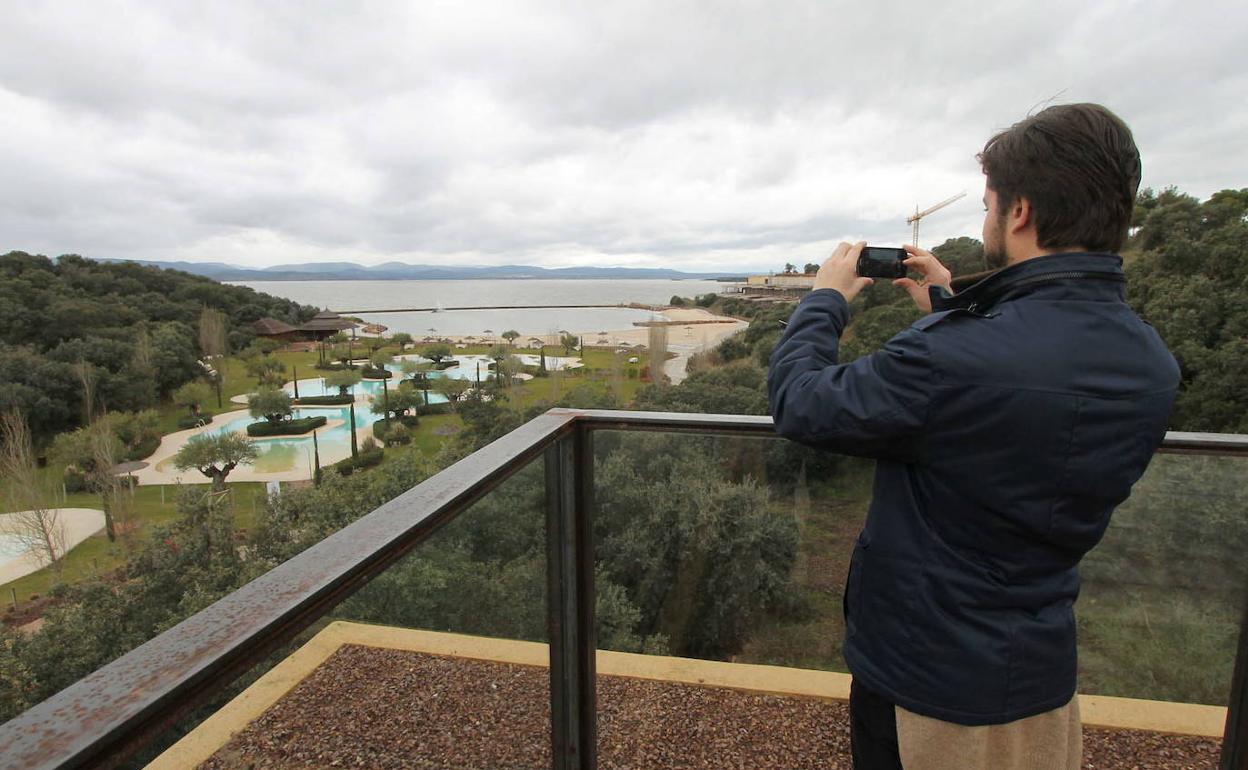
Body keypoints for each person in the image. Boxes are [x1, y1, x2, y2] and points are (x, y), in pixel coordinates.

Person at [768, 103, 1179, 770]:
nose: (986, 219)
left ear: (1019, 213)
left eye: (988, 205)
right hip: (1040, 670)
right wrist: (950, 302)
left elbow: (801, 402)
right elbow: (1018, 396)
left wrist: (824, 300)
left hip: (925, 679)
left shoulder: (950, 359)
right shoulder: (1150, 361)